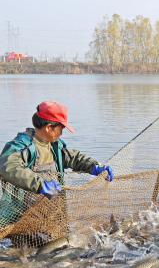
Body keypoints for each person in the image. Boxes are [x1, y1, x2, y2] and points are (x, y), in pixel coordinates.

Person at [0, 101, 114, 243]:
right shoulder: (23, 145)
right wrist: (41, 184)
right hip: (25, 223)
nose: (61, 133)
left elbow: (74, 158)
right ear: (48, 127)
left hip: (52, 220)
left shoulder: (54, 146)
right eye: (61, 128)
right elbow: (7, 166)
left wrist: (96, 167)